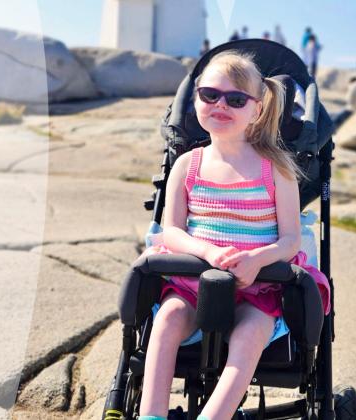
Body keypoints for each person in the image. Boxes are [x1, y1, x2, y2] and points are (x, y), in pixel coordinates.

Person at [136, 51, 330, 420]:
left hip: (258, 287)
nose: (221, 105)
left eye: (236, 99)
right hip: (192, 282)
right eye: (210, 95)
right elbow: (171, 231)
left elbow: (290, 240)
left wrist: (256, 259)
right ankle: (151, 415)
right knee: (167, 320)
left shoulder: (276, 169)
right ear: (196, 100)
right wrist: (207, 252)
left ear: (256, 110)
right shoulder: (187, 165)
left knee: (250, 335)